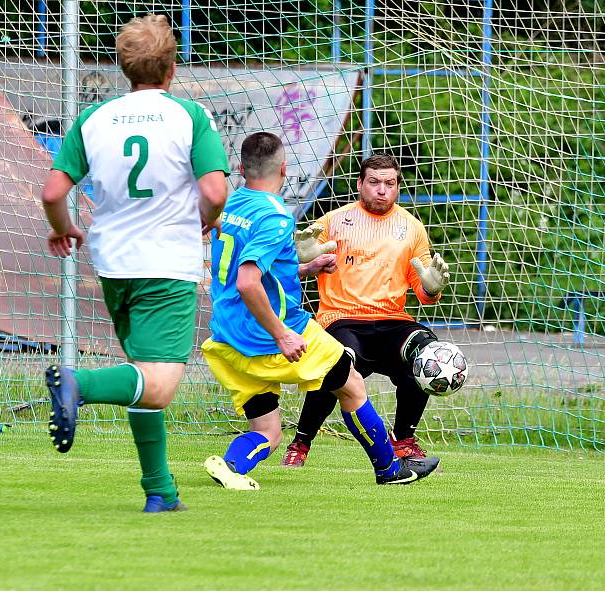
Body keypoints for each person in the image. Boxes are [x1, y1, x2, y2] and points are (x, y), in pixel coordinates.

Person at [39, 14, 229, 512]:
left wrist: (63, 229)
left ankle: (160, 492)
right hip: (166, 262)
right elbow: (214, 190)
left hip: (114, 265)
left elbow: (53, 191)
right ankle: (78, 383)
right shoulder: (189, 115)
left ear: (125, 68)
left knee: (143, 378)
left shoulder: (93, 119)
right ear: (171, 68)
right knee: (160, 385)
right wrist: (205, 219)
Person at [201, 132, 441, 490]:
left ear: (240, 168)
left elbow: (252, 271)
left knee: (268, 431)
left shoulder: (231, 206)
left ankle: (232, 465)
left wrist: (304, 269)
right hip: (272, 332)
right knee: (352, 384)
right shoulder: (276, 217)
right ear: (284, 168)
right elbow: (248, 282)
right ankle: (390, 469)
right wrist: (281, 334)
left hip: (228, 336)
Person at [282, 153, 450, 467]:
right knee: (335, 362)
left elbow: (424, 295)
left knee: (427, 352)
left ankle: (404, 441)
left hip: (391, 322)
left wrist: (432, 286)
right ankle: (300, 444)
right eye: (374, 182)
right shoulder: (333, 221)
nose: (381, 190)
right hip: (342, 318)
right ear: (360, 184)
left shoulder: (411, 228)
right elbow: (293, 260)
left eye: (389, 183)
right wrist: (301, 258)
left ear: (398, 187)